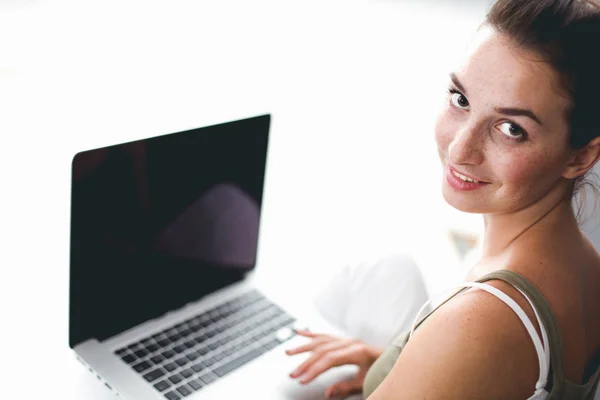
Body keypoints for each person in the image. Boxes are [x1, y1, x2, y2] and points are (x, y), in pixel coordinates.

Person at [284, 0, 600, 398]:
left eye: (511, 128)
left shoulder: (481, 321)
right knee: (387, 269)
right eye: (461, 100)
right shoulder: (585, 261)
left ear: (580, 156)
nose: (459, 150)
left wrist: (443, 358)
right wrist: (406, 365)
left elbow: (487, 341)